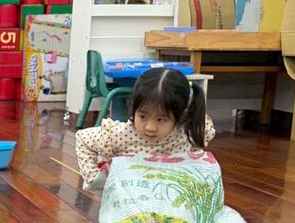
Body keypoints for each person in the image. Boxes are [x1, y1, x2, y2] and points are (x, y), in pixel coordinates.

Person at [76, 67, 216, 188]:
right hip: (129, 202)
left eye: (161, 119)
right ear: (134, 108)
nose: (150, 127)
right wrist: (94, 178)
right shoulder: (121, 134)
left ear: (180, 116)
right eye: (143, 116)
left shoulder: (188, 132)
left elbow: (204, 131)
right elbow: (83, 138)